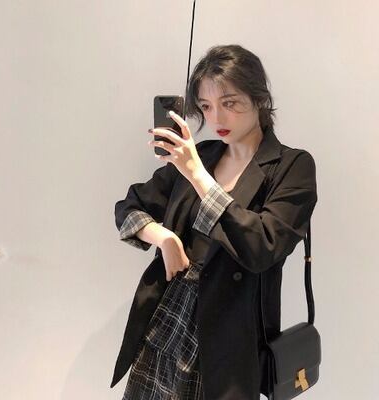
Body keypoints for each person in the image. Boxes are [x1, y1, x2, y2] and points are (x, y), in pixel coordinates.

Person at [110, 44, 318, 400]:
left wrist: (198, 177)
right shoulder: (203, 154)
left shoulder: (291, 166)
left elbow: (263, 247)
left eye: (229, 103)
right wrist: (164, 239)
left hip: (228, 334)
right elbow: (129, 206)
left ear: (259, 99)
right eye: (206, 107)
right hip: (168, 316)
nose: (217, 118)